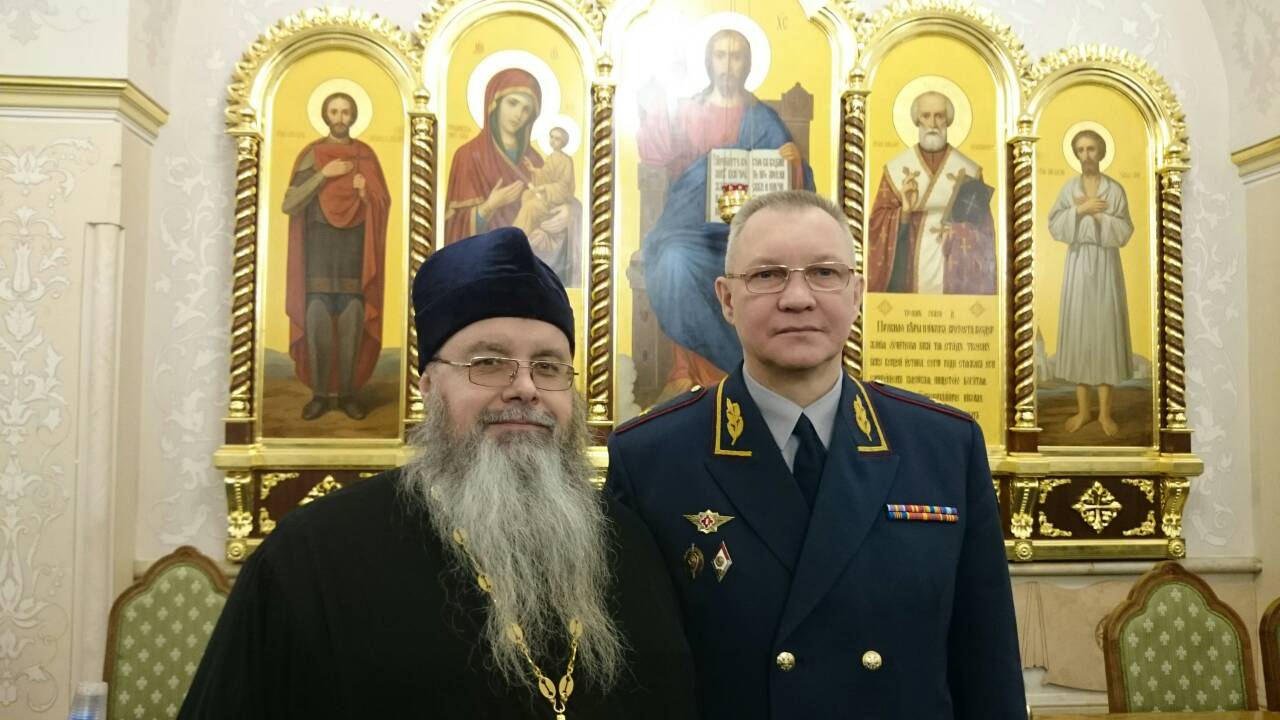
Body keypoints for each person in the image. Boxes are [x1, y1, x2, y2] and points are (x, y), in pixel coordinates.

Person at [181, 228, 697, 719]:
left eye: (548, 366)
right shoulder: (309, 558)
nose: (525, 388)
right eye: (488, 362)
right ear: (428, 387)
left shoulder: (631, 545)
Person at [606, 190, 1025, 718]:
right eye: (767, 275)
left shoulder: (944, 447)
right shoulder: (650, 459)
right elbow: (637, 682)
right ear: (727, 299)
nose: (798, 298)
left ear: (857, 293)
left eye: (825, 273)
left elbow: (988, 671)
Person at [637, 28, 813, 394]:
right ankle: (686, 372)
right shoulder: (687, 112)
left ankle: (749, 375)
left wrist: (793, 161)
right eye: (721, 55)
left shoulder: (762, 118)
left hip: (749, 233)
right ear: (708, 61)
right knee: (673, 262)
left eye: (736, 57)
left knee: (757, 269)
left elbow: (798, 185)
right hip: (689, 226)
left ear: (748, 64)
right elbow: (660, 159)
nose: (728, 65)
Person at [282, 91, 390, 420]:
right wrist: (323, 175)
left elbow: (382, 202)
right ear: (325, 115)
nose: (340, 117)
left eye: (345, 111)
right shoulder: (311, 155)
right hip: (318, 249)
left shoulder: (366, 155)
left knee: (352, 317)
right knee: (316, 316)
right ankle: (319, 395)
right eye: (334, 111)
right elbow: (289, 203)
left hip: (353, 251)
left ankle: (346, 394)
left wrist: (365, 192)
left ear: (353, 115)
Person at [445, 69, 581, 285]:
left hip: (528, 278)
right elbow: (450, 228)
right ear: (494, 103)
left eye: (526, 110)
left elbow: (558, 191)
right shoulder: (467, 156)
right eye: (513, 103)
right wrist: (489, 207)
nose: (518, 114)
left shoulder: (534, 160)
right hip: (481, 277)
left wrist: (570, 212)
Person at [1048, 129, 1134, 437]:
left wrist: (1100, 217)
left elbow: (1125, 231)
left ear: (1101, 152)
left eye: (1091, 149)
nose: (1086, 155)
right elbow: (1054, 224)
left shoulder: (1114, 190)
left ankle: (1105, 414)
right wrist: (1080, 209)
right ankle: (1084, 411)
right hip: (1078, 263)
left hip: (1106, 263)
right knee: (1080, 333)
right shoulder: (1069, 189)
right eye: (1081, 150)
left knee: (1105, 333)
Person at [867, 90, 996, 295]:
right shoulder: (896, 169)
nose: (933, 123)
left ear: (948, 120)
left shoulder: (970, 171)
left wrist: (959, 233)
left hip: (956, 277)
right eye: (926, 116)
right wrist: (903, 214)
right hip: (908, 277)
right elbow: (876, 228)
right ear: (917, 120)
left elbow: (985, 233)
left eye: (939, 116)